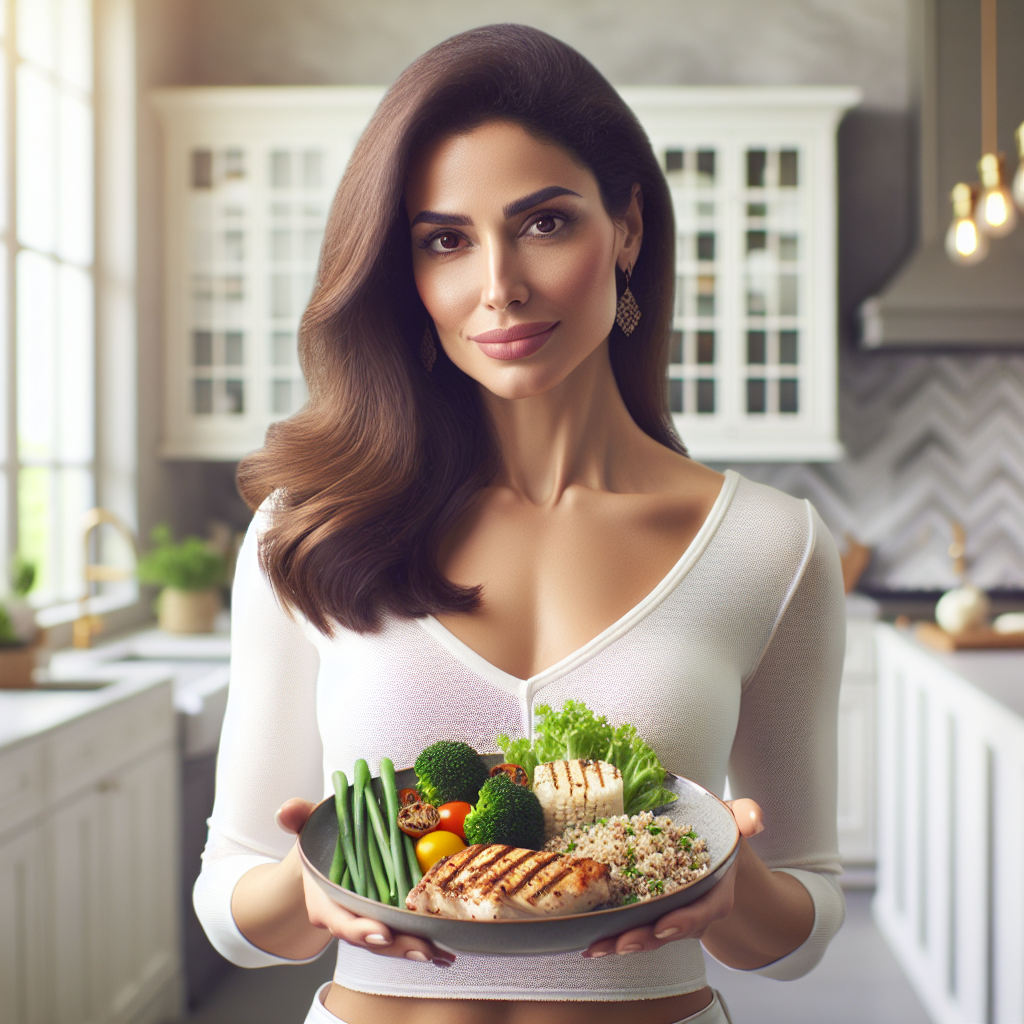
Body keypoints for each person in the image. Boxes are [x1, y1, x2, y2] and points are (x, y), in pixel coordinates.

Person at [194, 24, 846, 1024]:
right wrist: (305, 886)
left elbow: (800, 928)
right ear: (404, 270)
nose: (498, 283)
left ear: (625, 228)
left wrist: (734, 887)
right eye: (445, 239)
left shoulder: (770, 544)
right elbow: (233, 908)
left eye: (544, 223)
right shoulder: (311, 529)